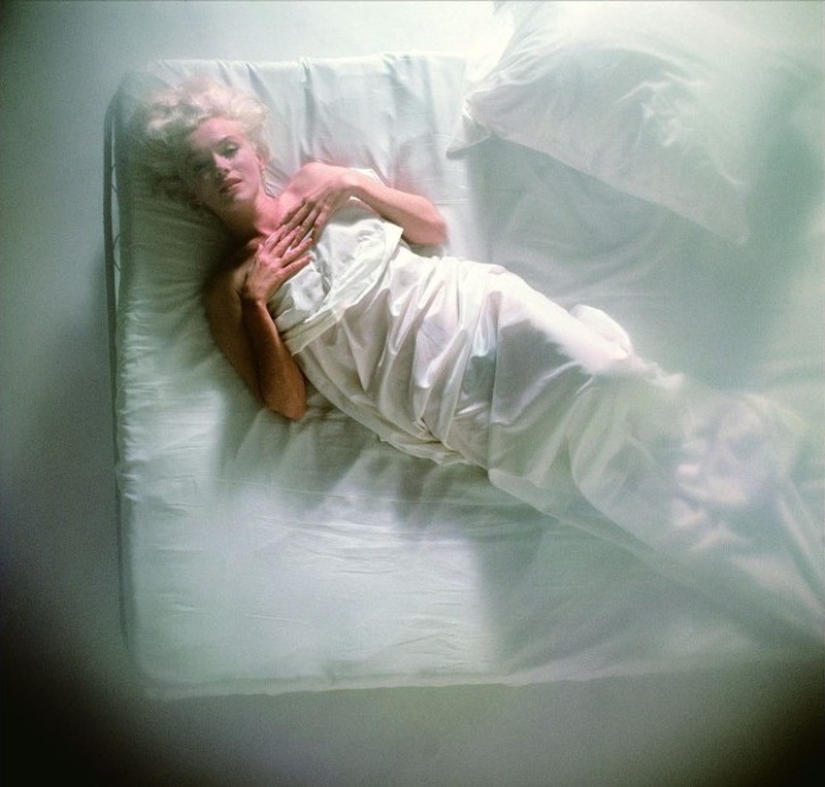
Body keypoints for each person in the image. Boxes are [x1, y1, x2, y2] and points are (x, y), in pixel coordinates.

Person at [132, 76, 823, 640]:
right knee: (591, 471)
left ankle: (767, 459)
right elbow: (286, 403)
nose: (219, 169)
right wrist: (258, 302)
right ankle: (746, 543)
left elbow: (431, 228)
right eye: (199, 167)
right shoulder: (227, 288)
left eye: (227, 149)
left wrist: (352, 182)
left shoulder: (318, 181)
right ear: (188, 190)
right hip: (426, 389)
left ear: (256, 150)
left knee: (616, 385)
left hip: (479, 313)